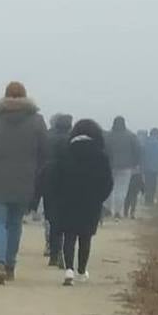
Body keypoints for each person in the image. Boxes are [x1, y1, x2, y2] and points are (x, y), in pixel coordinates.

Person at [0, 82, 47, 285]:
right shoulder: (37, 121)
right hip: (25, 181)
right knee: (15, 224)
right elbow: (45, 151)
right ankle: (9, 265)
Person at [43, 119, 113, 286]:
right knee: (85, 237)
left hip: (67, 200)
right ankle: (81, 271)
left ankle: (68, 270)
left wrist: (56, 197)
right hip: (90, 202)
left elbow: (54, 178)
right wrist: (99, 198)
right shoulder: (101, 155)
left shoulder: (64, 152)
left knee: (69, 235)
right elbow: (108, 182)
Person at [40, 113, 73, 266]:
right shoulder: (73, 140)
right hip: (68, 181)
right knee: (67, 218)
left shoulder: (47, 137)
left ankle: (52, 250)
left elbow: (39, 157)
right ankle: (63, 252)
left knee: (51, 218)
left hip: (48, 179)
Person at [103, 116, 141, 220]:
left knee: (110, 188)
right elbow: (137, 150)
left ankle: (108, 209)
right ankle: (117, 211)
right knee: (122, 190)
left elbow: (104, 150)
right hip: (126, 167)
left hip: (110, 166)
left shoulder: (108, 136)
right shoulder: (131, 136)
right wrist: (135, 163)